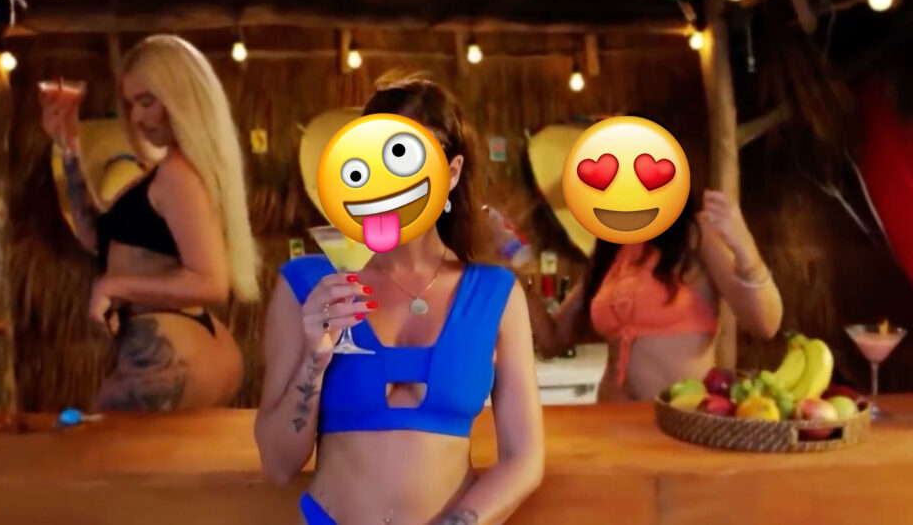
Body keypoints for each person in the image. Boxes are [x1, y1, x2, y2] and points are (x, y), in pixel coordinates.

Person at [255, 71, 544, 524]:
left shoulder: (494, 294)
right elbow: (278, 464)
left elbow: (525, 458)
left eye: (406, 158)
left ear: (451, 173)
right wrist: (315, 356)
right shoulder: (307, 286)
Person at [39, 34, 261, 411]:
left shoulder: (178, 175)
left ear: (181, 97)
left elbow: (211, 283)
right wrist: (69, 146)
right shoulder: (175, 171)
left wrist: (114, 285)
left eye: (147, 102)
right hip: (188, 347)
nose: (137, 118)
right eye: (131, 105)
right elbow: (97, 237)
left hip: (168, 356)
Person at [550, 188, 784, 402]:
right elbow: (553, 340)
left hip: (680, 421)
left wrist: (745, 249)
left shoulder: (697, 234)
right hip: (610, 419)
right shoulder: (610, 249)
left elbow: (766, 324)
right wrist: (523, 279)